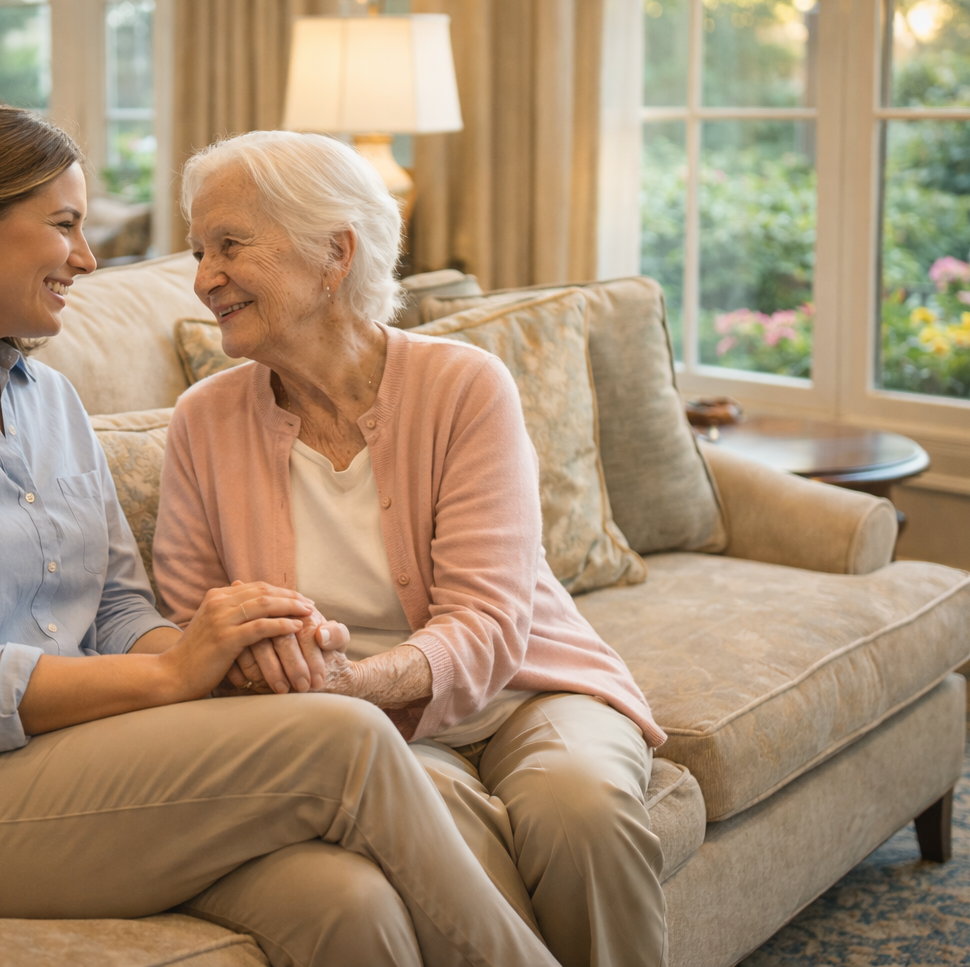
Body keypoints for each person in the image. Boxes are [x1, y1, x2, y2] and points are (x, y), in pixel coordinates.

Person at [0, 99, 555, 967]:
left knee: (348, 905)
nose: (87, 259)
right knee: (347, 736)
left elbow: (120, 608)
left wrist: (234, 647)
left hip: (77, 763)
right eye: (64, 225)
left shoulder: (47, 399)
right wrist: (173, 674)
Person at [154, 129, 670, 967]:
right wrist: (257, 660)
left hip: (526, 689)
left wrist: (353, 681)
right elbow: (190, 619)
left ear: (334, 253)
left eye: (230, 245)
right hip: (357, 736)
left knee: (584, 810)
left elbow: (489, 622)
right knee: (428, 821)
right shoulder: (203, 421)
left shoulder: (463, 387)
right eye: (198, 250)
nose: (204, 278)